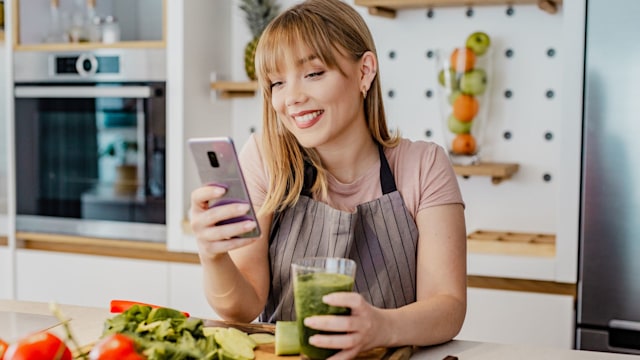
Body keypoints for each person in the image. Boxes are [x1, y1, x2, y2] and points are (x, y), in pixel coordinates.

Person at [189, 0, 467, 357]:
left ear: (364, 72)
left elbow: (448, 306)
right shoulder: (265, 159)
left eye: (314, 73)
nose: (292, 98)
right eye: (277, 83)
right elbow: (242, 307)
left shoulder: (422, 165)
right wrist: (212, 256)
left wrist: (380, 327)